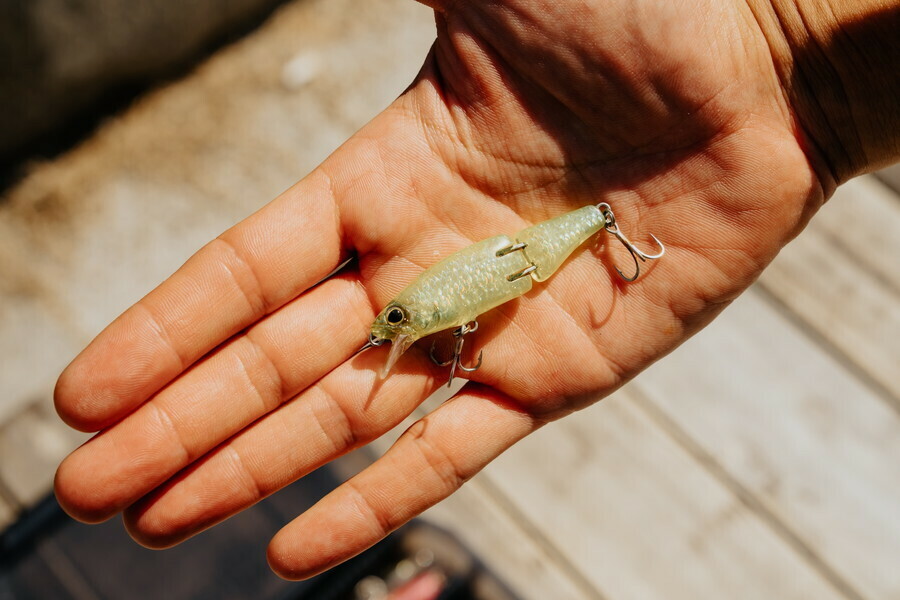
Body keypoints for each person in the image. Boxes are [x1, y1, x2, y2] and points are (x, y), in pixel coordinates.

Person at [52, 0, 899, 580]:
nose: (386, 329)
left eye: (390, 323)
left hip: (534, 249)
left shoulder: (435, 301)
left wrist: (789, 54)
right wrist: (791, 53)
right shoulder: (414, 312)